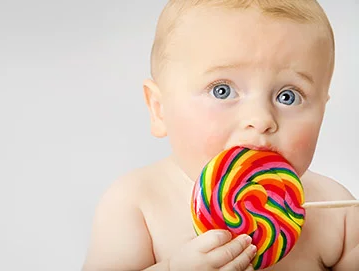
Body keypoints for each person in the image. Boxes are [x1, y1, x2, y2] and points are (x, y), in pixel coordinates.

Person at [82, 0, 359, 270]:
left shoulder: (337, 212)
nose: (261, 119)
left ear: (323, 110)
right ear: (159, 109)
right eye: (222, 90)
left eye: (288, 96)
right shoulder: (137, 205)